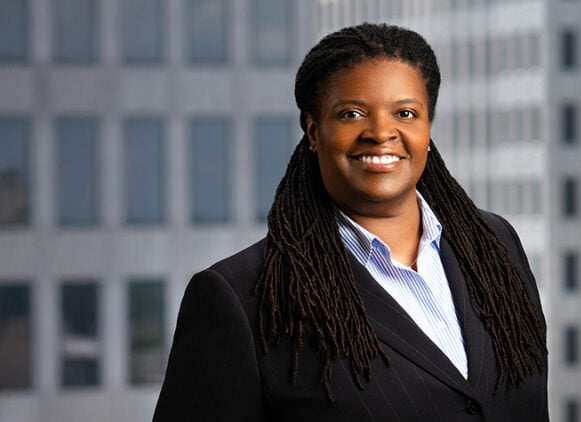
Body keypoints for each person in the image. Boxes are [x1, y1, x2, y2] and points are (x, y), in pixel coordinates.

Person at [153, 23, 548, 421]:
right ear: (313, 130)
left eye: (405, 113)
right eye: (352, 114)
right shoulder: (240, 297)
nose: (380, 133)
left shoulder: (494, 245)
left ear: (427, 127)